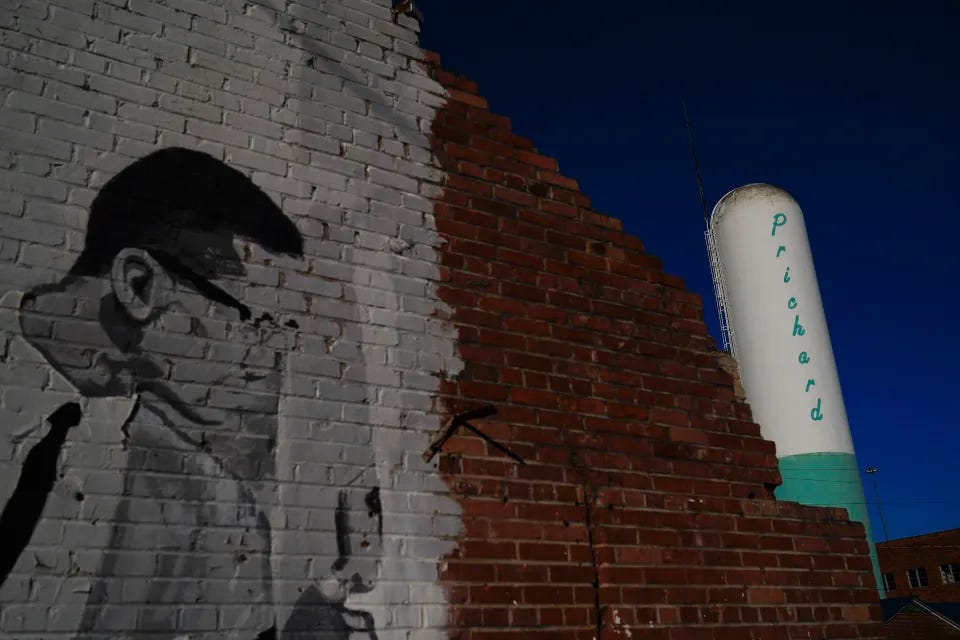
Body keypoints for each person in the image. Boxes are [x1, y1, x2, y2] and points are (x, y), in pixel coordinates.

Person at [0, 147, 305, 638]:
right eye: (257, 320)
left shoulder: (187, 443)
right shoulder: (45, 436)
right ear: (139, 284)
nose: (276, 352)